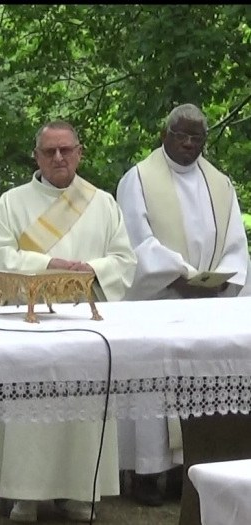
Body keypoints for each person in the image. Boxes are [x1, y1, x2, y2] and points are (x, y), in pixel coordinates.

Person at [0, 120, 136, 523]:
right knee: (29, 411)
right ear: (37, 156)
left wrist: (91, 269)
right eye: (49, 151)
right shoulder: (11, 203)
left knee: (81, 411)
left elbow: (124, 260)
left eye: (66, 150)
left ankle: (79, 492)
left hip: (85, 325)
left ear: (79, 153)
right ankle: (23, 495)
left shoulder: (102, 203)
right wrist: (50, 264)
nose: (59, 157)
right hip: (28, 323)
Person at [115, 103, 250, 506]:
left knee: (197, 386)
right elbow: (135, 241)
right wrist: (179, 276)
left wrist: (218, 281)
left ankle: (185, 473)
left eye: (197, 137)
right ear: (165, 135)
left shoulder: (220, 184)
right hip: (159, 300)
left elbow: (235, 244)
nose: (189, 144)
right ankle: (146, 473)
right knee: (152, 388)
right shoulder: (138, 179)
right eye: (182, 135)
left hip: (207, 304)